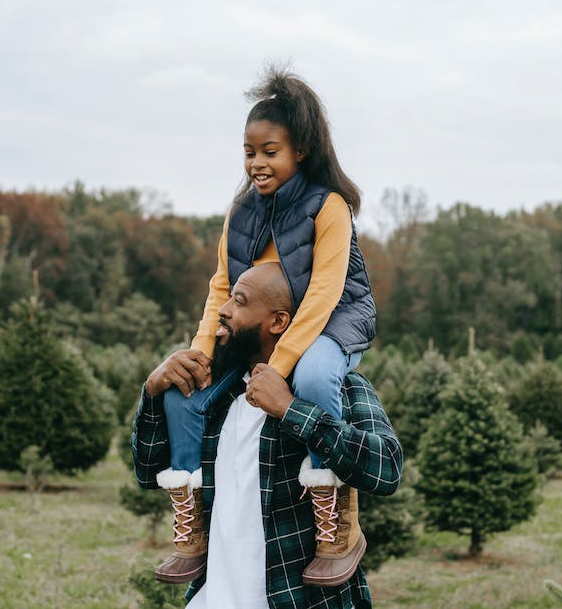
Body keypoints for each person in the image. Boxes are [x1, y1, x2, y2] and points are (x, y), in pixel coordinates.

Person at [152, 66, 377, 586]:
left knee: (318, 376)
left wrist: (277, 372)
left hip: (331, 324)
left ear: (299, 150)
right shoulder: (240, 212)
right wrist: (203, 351)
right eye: (249, 152)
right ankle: (191, 527)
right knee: (182, 391)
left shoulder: (330, 207)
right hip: (258, 330)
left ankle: (334, 518)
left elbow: (322, 296)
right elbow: (221, 286)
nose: (257, 163)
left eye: (269, 151)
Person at [133, 263, 401, 608]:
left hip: (300, 599)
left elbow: (386, 468)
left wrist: (291, 409)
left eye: (240, 302)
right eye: (227, 299)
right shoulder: (212, 398)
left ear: (278, 321)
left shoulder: (336, 390)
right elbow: (147, 471)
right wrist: (153, 392)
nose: (223, 311)